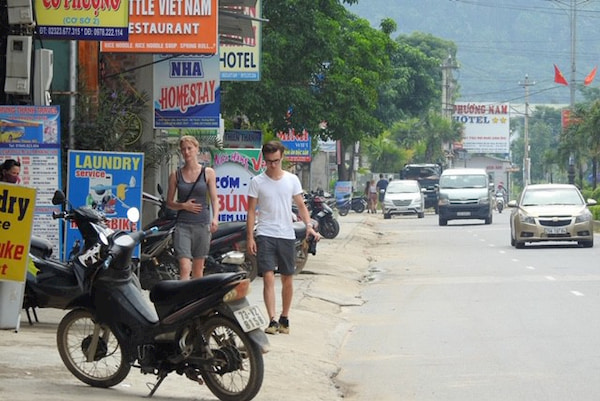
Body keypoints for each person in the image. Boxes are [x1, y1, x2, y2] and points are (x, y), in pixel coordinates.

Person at [246, 141, 320, 335]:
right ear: (264, 159)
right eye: (269, 161)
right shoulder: (257, 182)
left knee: (287, 277)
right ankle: (272, 319)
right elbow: (251, 211)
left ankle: (284, 317)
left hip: (286, 234)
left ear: (282, 158)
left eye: (276, 161)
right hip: (265, 233)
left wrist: (309, 227)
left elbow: (302, 206)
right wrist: (250, 238)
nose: (272, 165)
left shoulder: (292, 180)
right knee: (268, 277)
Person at [166, 136, 219, 280]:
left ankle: (196, 300)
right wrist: (183, 205)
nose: (187, 152)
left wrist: (215, 218)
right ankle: (183, 301)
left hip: (202, 225)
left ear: (197, 149)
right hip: (183, 225)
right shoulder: (175, 175)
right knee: (184, 267)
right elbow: (169, 202)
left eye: (190, 148)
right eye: (183, 149)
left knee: (198, 269)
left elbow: (214, 198)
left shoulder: (207, 173)